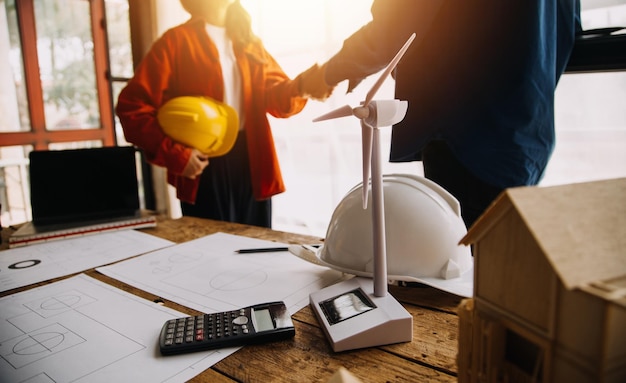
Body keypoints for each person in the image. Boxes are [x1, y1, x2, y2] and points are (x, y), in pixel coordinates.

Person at [316, 0, 582, 228]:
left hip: (465, 136)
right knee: (501, 264)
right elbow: (568, 26)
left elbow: (394, 25)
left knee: (456, 270)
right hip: (527, 134)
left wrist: (324, 75)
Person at [116, 0, 332, 228]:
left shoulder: (250, 43)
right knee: (211, 254)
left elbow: (275, 98)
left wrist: (302, 86)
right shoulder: (176, 41)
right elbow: (131, 107)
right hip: (203, 164)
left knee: (256, 250)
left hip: (252, 159)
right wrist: (177, 155)